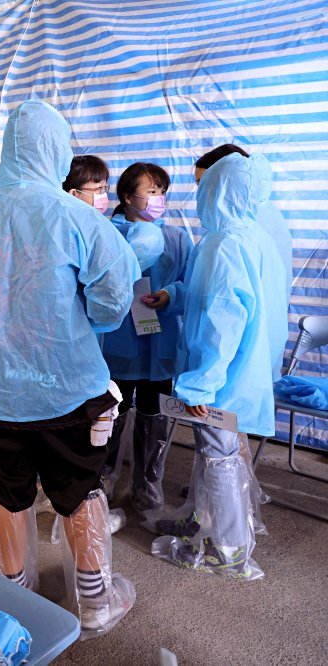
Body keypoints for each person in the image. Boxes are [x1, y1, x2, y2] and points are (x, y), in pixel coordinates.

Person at [0, 100, 139, 636]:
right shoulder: (74, 215)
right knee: (79, 491)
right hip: (67, 389)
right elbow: (115, 295)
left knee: (7, 494)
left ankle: (12, 599)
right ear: (59, 150)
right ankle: (95, 600)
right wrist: (87, 320)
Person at [146, 153, 288, 580]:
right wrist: (174, 296)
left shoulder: (227, 242)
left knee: (218, 455)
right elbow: (207, 292)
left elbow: (224, 318)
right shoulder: (246, 235)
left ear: (219, 189)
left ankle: (227, 548)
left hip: (223, 375)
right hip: (240, 370)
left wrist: (200, 386)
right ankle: (200, 521)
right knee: (216, 454)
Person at [96, 162, 190, 515]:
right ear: (127, 196)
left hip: (159, 345)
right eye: (151, 191)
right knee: (111, 412)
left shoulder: (176, 238)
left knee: (155, 413)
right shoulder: (108, 235)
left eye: (163, 192)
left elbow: (188, 284)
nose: (159, 199)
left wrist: (169, 295)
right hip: (117, 345)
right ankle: (102, 477)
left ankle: (147, 483)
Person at [194, 144, 292, 299]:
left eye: (203, 182)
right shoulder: (259, 213)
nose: (199, 191)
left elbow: (220, 302)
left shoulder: (233, 235)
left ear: (225, 178)